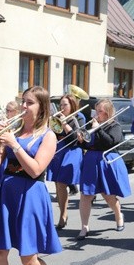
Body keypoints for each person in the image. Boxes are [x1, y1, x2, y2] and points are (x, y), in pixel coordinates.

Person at [0, 86, 65, 265]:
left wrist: (14, 145)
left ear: (42, 108)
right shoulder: (15, 130)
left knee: (28, 258)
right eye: (23, 101)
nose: (23, 106)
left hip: (30, 195)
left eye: (29, 103)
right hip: (6, 194)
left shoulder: (48, 136)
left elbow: (36, 170)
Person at [77, 99, 131, 240]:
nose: (97, 114)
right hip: (91, 161)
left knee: (108, 195)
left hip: (105, 161)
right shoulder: (92, 125)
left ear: (107, 113)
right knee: (85, 195)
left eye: (100, 111)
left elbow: (110, 142)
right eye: (96, 110)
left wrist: (98, 128)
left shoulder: (115, 126)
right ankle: (84, 227)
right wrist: (81, 140)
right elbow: (87, 145)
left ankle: (118, 215)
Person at [47, 94, 84, 229]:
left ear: (72, 105)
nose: (62, 108)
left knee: (62, 181)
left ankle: (64, 214)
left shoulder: (79, 118)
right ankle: (63, 213)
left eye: (65, 105)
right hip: (59, 148)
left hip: (73, 150)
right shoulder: (58, 117)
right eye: (60, 105)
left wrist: (64, 123)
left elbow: (75, 138)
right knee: (58, 183)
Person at [0, 101, 20, 192]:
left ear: (16, 111)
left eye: (10, 110)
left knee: (5, 185)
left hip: (9, 155)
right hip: (0, 154)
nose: (7, 113)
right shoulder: (4, 121)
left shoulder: (19, 122)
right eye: (6, 110)